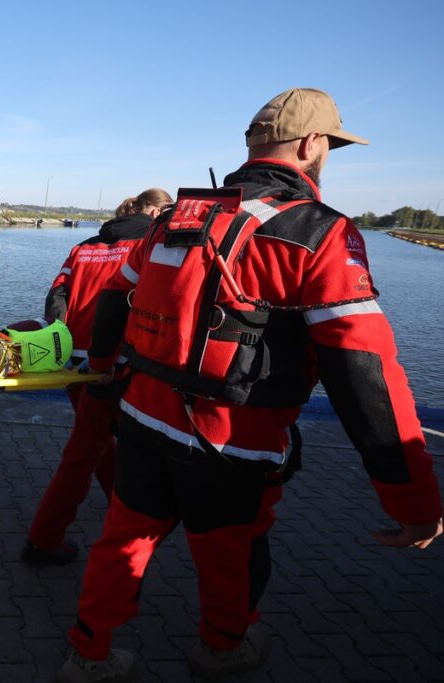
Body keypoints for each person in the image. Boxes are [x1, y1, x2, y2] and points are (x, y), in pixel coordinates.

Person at [57, 88, 443, 682]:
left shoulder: (177, 219)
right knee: (229, 554)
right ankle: (222, 648)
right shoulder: (321, 233)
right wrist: (414, 503)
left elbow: (113, 300)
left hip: (140, 414)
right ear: (314, 145)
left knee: (124, 539)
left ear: (253, 145)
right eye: (330, 147)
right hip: (231, 439)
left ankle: (89, 651)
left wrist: (104, 371)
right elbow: (365, 374)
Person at [22, 188, 172, 566]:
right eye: (168, 211)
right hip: (115, 366)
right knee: (83, 452)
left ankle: (115, 504)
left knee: (96, 439)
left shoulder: (84, 246)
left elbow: (56, 296)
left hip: (74, 362)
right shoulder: (150, 246)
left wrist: (66, 347)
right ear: (154, 211)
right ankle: (44, 539)